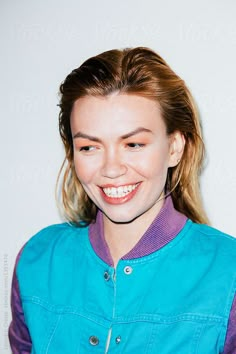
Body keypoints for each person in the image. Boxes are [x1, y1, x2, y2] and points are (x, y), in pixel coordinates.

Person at [9, 47, 236, 353]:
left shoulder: (227, 270)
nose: (112, 169)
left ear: (174, 147)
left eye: (133, 143)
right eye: (90, 147)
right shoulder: (37, 260)